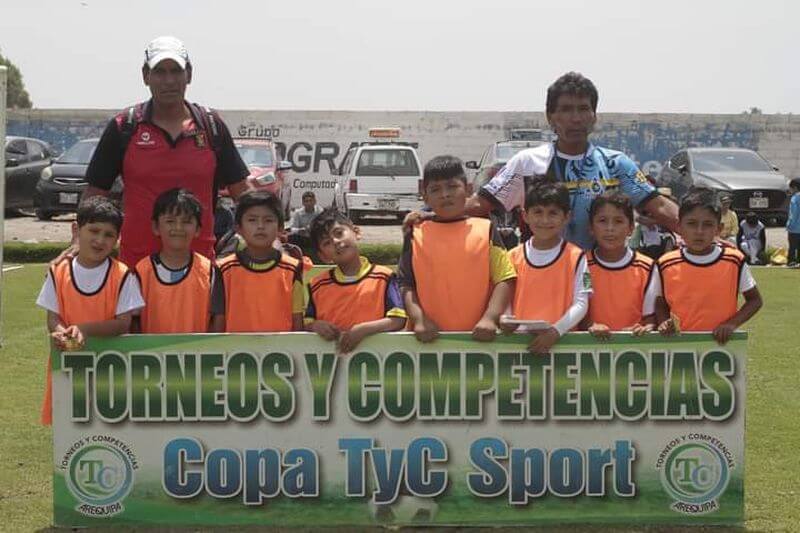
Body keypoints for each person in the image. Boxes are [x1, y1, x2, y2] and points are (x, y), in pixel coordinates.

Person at [459, 72, 679, 249]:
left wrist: (707, 234)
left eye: (583, 109)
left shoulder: (616, 164)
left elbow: (659, 205)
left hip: (602, 279)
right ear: (550, 117)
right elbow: (479, 204)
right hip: (543, 278)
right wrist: (429, 219)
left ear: (594, 116)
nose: (575, 118)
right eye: (565, 109)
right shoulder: (526, 163)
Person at [83, 35, 251, 267]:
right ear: (145, 76)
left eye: (176, 71)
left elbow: (242, 193)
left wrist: (270, 240)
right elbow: (94, 195)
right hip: (137, 269)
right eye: (160, 71)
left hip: (198, 268)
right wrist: (77, 244)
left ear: (189, 74)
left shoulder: (211, 126)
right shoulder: (124, 126)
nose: (168, 80)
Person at [35, 197, 144, 424]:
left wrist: (84, 330)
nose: (99, 240)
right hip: (68, 366)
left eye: (108, 235)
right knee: (68, 432)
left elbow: (123, 323)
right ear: (77, 230)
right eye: (93, 230)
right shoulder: (58, 271)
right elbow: (53, 316)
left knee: (110, 429)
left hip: (111, 370)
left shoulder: (123, 275)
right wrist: (61, 332)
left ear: (117, 239)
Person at [397, 155, 516, 343]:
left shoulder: (485, 229)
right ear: (425, 195)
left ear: (468, 190)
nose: (445, 194)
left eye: (452, 186)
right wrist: (419, 319)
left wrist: (490, 317)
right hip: (428, 340)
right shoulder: (414, 233)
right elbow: (405, 284)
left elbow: (505, 278)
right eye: (435, 189)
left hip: (479, 339)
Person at [657, 188, 762, 345]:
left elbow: (754, 300)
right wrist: (664, 321)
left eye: (707, 225)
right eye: (692, 224)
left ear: (718, 229)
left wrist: (731, 324)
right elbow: (660, 302)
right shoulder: (666, 263)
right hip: (678, 347)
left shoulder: (734, 260)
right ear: (679, 226)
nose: (699, 231)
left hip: (720, 347)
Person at [504, 182, 591, 353]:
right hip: (520, 345)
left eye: (553, 213)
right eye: (538, 212)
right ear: (525, 216)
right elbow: (505, 299)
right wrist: (506, 320)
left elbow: (582, 303)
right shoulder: (512, 256)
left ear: (567, 217)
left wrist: (555, 332)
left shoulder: (577, 256)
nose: (544, 220)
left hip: (562, 345)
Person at [305, 208, 406, 352]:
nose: (335, 241)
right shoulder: (317, 285)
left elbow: (398, 320)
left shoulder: (384, 277)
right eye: (326, 242)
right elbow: (307, 322)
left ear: (356, 232)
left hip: (376, 362)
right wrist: (315, 326)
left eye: (339, 233)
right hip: (331, 366)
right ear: (323, 256)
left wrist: (362, 330)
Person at [134, 189, 225, 333]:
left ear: (198, 230)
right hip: (153, 354)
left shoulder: (209, 272)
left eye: (186, 222)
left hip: (197, 354)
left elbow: (218, 323)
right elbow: (133, 324)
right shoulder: (142, 271)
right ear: (156, 227)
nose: (178, 228)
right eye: (170, 221)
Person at [217, 191, 305, 332]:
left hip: (281, 351)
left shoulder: (292, 268)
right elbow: (218, 321)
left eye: (268, 220)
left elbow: (297, 319)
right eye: (252, 220)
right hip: (233, 352)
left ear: (280, 228)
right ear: (238, 228)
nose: (260, 226)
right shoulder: (224, 268)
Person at [582, 192, 659, 339]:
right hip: (590, 350)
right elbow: (581, 305)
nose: (610, 228)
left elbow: (650, 319)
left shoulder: (647, 268)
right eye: (603, 221)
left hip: (633, 351)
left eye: (618, 221)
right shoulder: (582, 265)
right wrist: (591, 325)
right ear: (591, 227)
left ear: (631, 228)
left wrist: (643, 328)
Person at [786, 178, 800, 267]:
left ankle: (791, 261)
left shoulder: (795, 198)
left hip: (795, 228)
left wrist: (789, 225)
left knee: (792, 247)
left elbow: (793, 213)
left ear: (794, 187)